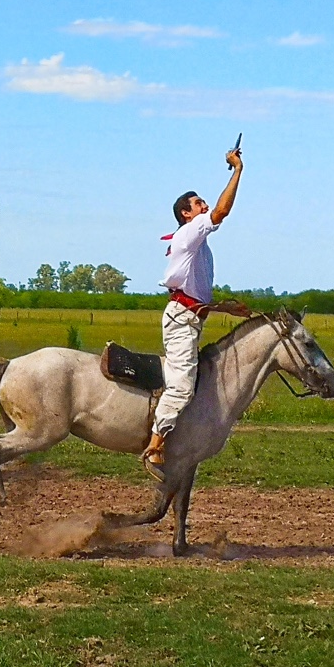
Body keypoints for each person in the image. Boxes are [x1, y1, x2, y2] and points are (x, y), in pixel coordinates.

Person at [143, 143, 244, 478]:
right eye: (198, 203)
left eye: (202, 202)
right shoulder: (192, 232)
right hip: (182, 320)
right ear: (187, 214)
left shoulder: (195, 243)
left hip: (189, 316)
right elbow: (222, 212)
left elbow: (193, 291)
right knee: (183, 386)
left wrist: (224, 308)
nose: (204, 206)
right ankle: (155, 445)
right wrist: (238, 171)